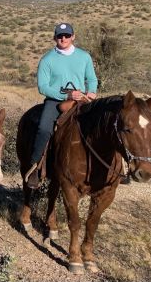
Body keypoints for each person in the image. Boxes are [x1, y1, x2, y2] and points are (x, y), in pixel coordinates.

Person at [25, 22, 97, 189]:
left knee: (101, 123)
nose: (63, 38)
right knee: (44, 128)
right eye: (59, 36)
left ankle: (115, 166)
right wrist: (66, 95)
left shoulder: (84, 56)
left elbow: (92, 79)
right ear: (55, 38)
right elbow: (43, 87)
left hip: (81, 99)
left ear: (73, 36)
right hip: (55, 100)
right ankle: (34, 167)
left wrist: (92, 92)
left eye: (66, 35)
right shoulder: (47, 60)